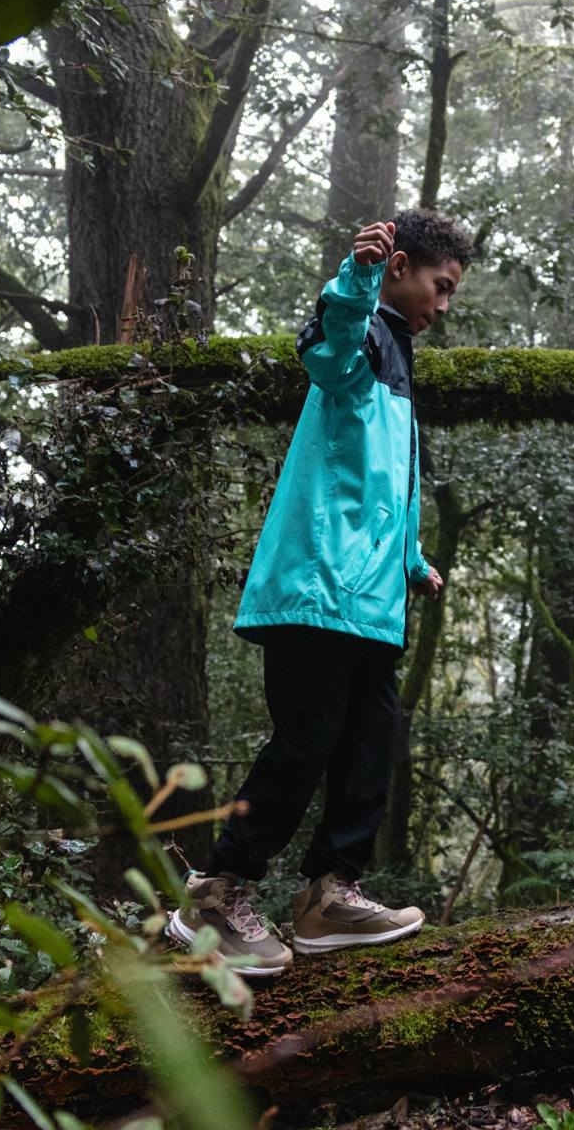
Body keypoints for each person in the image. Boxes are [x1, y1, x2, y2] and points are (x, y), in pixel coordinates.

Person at [167, 210, 474, 974]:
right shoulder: (363, 332)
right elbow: (325, 350)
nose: (443, 305)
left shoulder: (398, 354)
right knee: (308, 737)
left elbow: (381, 482)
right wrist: (356, 277)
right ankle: (213, 893)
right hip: (316, 585)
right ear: (400, 267)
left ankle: (329, 895)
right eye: (439, 287)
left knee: (373, 736)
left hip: (368, 596)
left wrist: (411, 558)